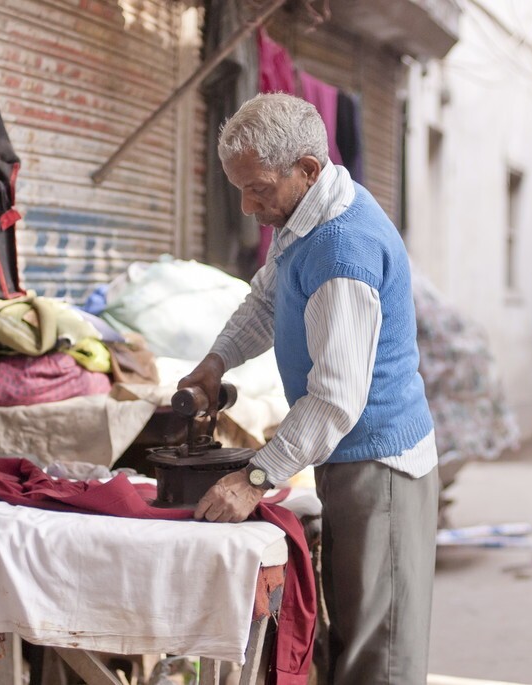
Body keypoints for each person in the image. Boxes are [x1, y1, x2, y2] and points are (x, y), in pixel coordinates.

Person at [178, 93, 438, 685]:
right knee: (349, 640)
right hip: (349, 460)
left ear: (308, 169)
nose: (248, 207)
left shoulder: (343, 250)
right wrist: (216, 364)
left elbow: (334, 399)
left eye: (260, 189)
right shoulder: (303, 218)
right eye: (240, 190)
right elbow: (267, 299)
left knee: (380, 658)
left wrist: (255, 479)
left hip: (381, 468)